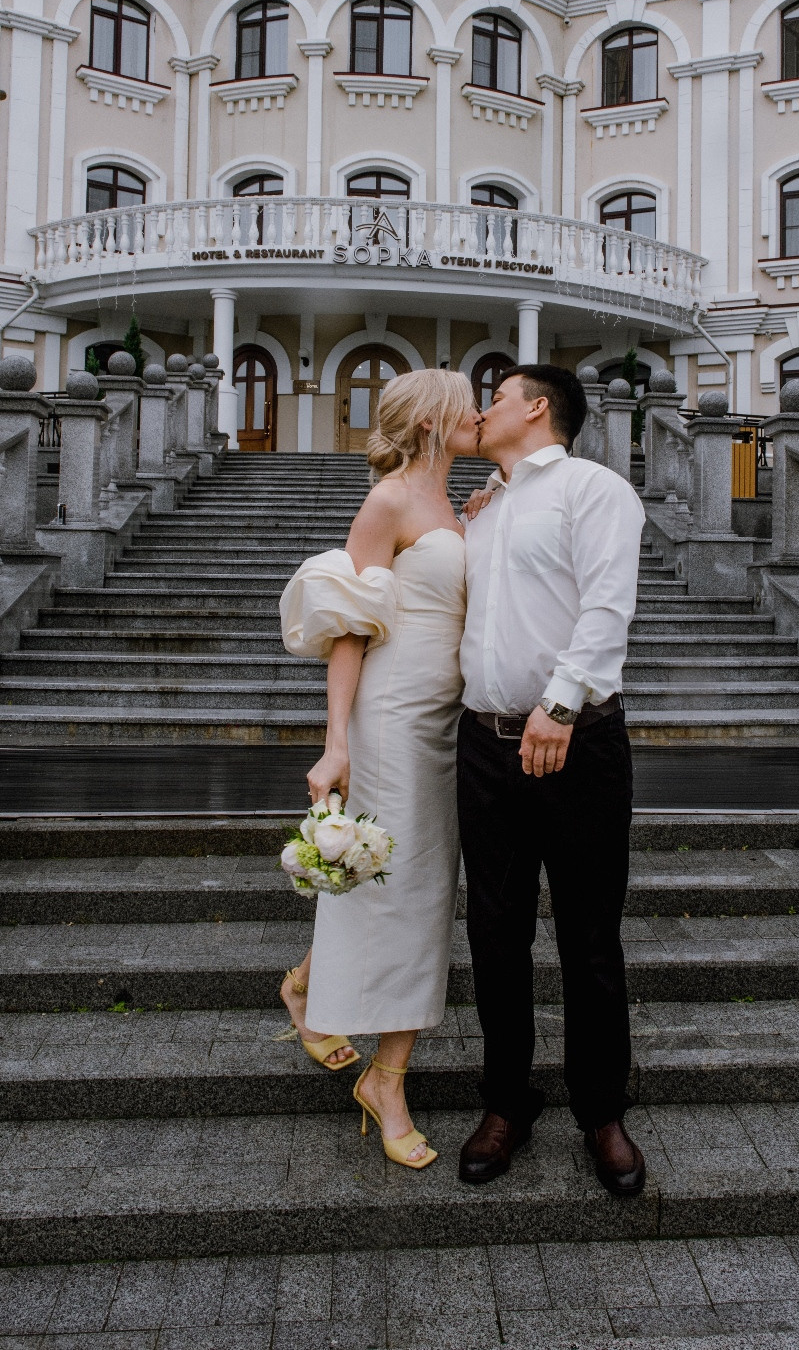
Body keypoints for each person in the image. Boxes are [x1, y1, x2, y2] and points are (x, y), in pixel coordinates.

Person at [278, 368, 479, 1170]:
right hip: (391, 715)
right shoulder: (387, 502)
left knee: (421, 886)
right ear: (431, 420)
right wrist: (337, 743)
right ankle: (386, 1081)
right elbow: (349, 630)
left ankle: (305, 983)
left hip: (449, 719)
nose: (478, 414)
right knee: (405, 890)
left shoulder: (461, 504)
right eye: (467, 404)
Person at [455, 364, 647, 1196]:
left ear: (536, 407)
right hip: (483, 745)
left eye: (494, 397)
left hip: (577, 742)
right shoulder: (483, 507)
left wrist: (559, 704)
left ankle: (600, 1111)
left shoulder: (591, 489)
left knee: (589, 936)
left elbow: (606, 606)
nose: (479, 410)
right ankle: (506, 1103)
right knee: (494, 934)